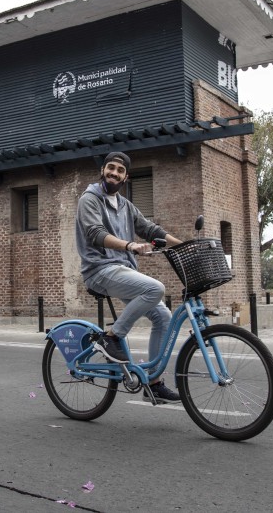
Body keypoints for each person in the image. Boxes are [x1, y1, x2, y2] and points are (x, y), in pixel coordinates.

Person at [75, 151, 183, 404]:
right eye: (110, 168)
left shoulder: (124, 205)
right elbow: (95, 233)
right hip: (99, 269)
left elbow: (150, 229)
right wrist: (129, 246)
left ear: (126, 176)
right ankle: (111, 337)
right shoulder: (89, 199)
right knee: (155, 288)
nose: (114, 173)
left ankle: (153, 384)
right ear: (103, 170)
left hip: (123, 270)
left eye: (120, 170)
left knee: (164, 317)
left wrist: (185, 247)